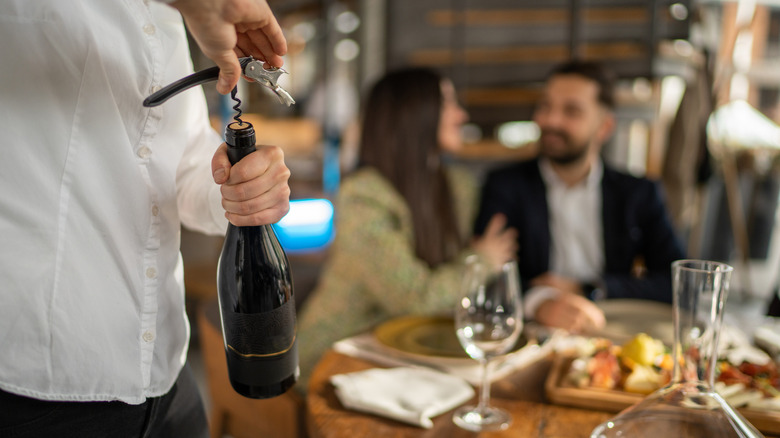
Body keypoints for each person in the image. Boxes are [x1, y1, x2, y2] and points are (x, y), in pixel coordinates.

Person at [0, 0, 290, 436]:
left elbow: (182, 163)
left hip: (166, 373)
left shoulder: (166, 16)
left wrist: (242, 190)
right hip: (43, 389)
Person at [296, 68, 518, 392]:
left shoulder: (458, 187)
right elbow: (413, 299)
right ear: (414, 115)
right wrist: (482, 260)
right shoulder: (363, 197)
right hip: (336, 363)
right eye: (448, 103)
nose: (461, 115)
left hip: (408, 359)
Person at [474, 60, 685, 334]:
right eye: (545, 106)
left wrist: (590, 289)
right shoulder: (506, 186)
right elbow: (486, 276)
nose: (551, 120)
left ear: (604, 126)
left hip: (611, 333)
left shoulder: (638, 193)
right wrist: (540, 302)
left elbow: (676, 282)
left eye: (571, 111)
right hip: (532, 334)